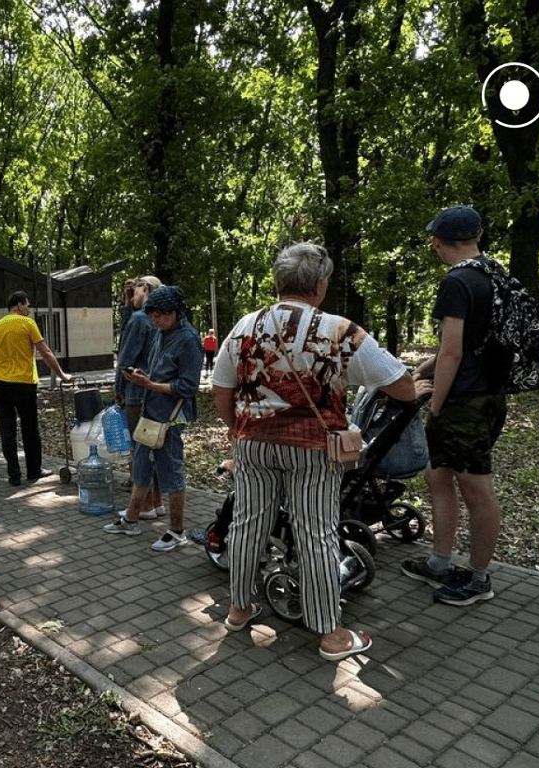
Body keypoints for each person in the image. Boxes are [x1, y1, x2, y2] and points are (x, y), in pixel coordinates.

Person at [209, 243, 425, 659]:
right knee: (315, 533)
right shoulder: (342, 330)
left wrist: (240, 429)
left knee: (248, 524)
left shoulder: (243, 328)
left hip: (253, 443)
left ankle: (238, 609)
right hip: (314, 448)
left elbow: (222, 390)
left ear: (278, 282)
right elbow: (401, 385)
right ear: (321, 284)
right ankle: (329, 632)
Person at [401, 205, 508, 606]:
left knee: (476, 486)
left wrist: (436, 403)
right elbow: (458, 346)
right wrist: (418, 369)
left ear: (439, 242)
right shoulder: (495, 275)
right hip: (490, 395)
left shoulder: (458, 281)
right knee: (437, 474)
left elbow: (453, 353)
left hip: (465, 399)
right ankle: (440, 561)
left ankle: (479, 578)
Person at [102, 285, 204, 553]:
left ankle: (177, 531)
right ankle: (131, 519)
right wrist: (141, 376)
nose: (155, 320)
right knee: (142, 470)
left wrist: (150, 385)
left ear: (176, 312)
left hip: (169, 419)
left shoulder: (189, 340)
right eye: (153, 315)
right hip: (150, 413)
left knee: (171, 474)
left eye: (160, 315)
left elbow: (188, 387)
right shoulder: (161, 333)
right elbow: (156, 370)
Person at [0, 290, 73, 485]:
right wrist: (62, 375)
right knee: (29, 428)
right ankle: (34, 471)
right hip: (24, 383)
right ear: (18, 305)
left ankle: (13, 475)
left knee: (7, 429)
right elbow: (45, 352)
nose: (29, 310)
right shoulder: (27, 324)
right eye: (27, 305)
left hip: (2, 384)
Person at [115, 276, 164, 516]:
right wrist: (128, 303)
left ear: (145, 288)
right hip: (155, 390)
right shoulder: (161, 318)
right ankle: (157, 502)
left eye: (135, 290)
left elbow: (124, 359)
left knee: (139, 447)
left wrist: (119, 389)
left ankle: (141, 507)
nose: (132, 294)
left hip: (135, 391)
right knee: (152, 445)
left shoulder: (139, 319)